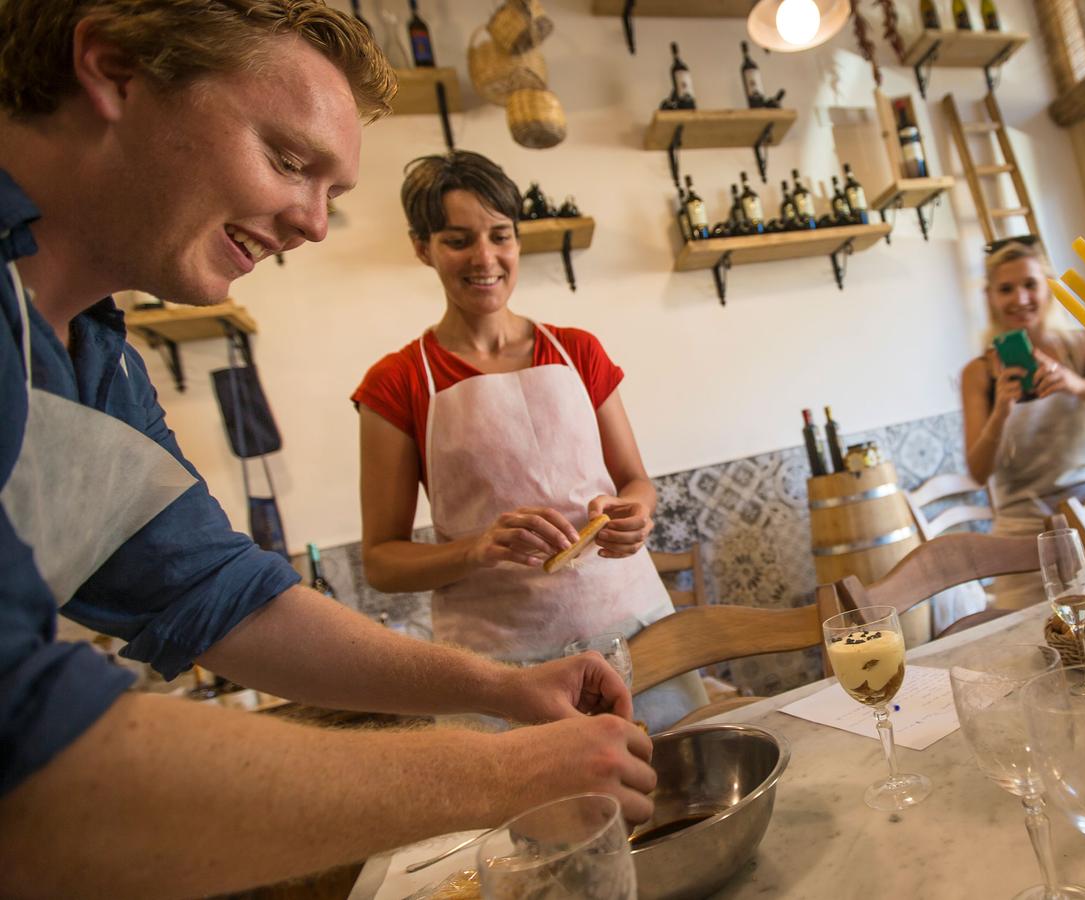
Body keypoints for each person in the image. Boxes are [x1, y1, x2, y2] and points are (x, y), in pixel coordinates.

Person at [0, 3, 654, 896]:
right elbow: (24, 758)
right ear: (112, 69)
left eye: (332, 194)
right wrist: (506, 772)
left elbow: (217, 596)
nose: (312, 224)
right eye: (286, 159)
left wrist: (506, 692)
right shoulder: (397, 380)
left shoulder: (94, 355)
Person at [352, 151, 706, 731]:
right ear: (423, 248)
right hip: (502, 668)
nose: (485, 258)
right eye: (458, 240)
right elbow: (382, 562)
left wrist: (633, 515)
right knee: (545, 818)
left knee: (681, 789)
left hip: (633, 633)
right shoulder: (397, 382)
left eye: (501, 236)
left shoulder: (577, 350)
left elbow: (635, 481)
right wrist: (475, 549)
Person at [960, 239, 1085, 607]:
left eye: (1029, 284)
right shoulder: (978, 373)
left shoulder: (1081, 348)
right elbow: (976, 473)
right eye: (1006, 289)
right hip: (1022, 541)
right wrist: (1000, 413)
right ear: (990, 297)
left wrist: (1080, 385)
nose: (1020, 298)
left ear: (1048, 287)